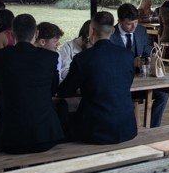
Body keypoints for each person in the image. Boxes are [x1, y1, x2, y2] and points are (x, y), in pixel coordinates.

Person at [58, 11, 137, 144]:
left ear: (92, 31)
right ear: (112, 31)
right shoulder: (127, 55)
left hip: (96, 129)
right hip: (126, 127)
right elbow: (126, 83)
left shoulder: (83, 58)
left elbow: (65, 91)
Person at [0, 14, 64, 154]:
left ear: (12, 34)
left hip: (10, 135)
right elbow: (53, 90)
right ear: (36, 33)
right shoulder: (50, 57)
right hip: (45, 133)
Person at [111, 3, 168, 127]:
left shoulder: (141, 31)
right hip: (119, 83)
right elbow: (109, 62)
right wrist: (129, 63)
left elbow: (147, 48)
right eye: (129, 24)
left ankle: (153, 127)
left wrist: (147, 58)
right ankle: (129, 127)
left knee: (163, 93)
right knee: (127, 100)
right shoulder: (110, 35)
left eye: (135, 22)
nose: (133, 27)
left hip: (141, 79)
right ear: (119, 21)